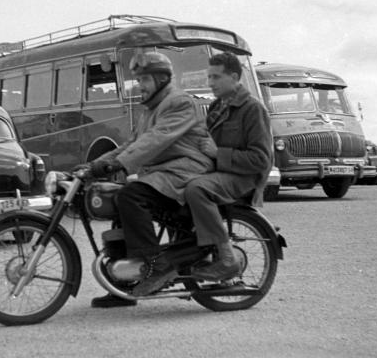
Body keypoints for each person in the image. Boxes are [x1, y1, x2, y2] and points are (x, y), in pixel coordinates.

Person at [87, 51, 214, 306]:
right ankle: (122, 283)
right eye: (139, 80)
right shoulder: (151, 109)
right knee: (118, 201)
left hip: (185, 170)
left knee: (131, 196)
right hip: (165, 171)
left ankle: (156, 266)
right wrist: (96, 165)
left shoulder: (179, 102)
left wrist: (118, 163)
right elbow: (133, 143)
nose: (139, 85)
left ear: (161, 79)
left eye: (144, 80)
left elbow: (157, 140)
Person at [183, 52, 272, 282]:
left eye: (216, 77)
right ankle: (183, 256)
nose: (210, 83)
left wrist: (218, 154)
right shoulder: (217, 106)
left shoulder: (253, 109)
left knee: (197, 189)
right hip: (221, 173)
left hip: (244, 178)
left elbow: (261, 159)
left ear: (234, 77)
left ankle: (226, 259)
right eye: (209, 77)